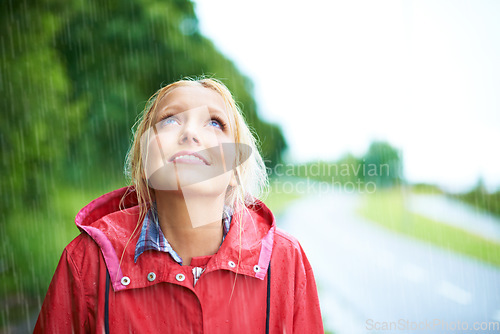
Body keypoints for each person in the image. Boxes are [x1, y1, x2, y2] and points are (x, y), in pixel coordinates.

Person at [34, 77, 323, 333]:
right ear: (144, 164)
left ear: (235, 172)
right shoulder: (86, 261)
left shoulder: (286, 260)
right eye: (170, 120)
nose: (189, 134)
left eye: (214, 123)